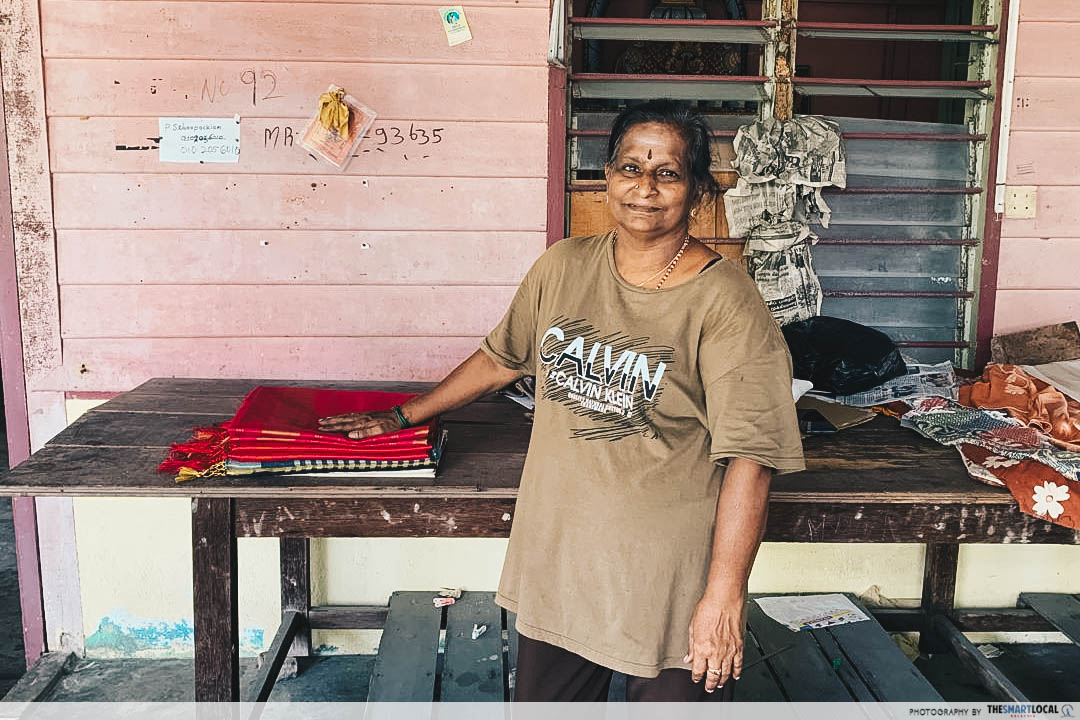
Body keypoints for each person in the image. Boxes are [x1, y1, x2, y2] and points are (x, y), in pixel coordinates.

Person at [318, 100, 805, 702]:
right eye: (631, 167)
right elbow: (500, 358)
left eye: (668, 173)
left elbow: (750, 458)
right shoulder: (563, 266)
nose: (645, 188)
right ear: (606, 177)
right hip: (561, 562)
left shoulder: (727, 301)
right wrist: (403, 414)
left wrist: (725, 596)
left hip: (666, 579)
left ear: (698, 190)